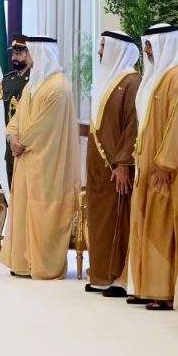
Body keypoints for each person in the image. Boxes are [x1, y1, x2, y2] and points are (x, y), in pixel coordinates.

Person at [0, 36, 79, 279]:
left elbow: (43, 126)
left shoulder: (59, 86)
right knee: (23, 210)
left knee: (44, 212)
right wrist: (13, 137)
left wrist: (22, 141)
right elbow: (17, 118)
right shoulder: (32, 84)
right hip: (25, 160)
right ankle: (23, 263)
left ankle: (44, 265)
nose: (26, 57)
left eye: (29, 51)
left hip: (46, 162)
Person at [83, 31, 140, 298]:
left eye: (104, 46)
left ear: (119, 49)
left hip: (116, 167)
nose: (100, 51)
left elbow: (133, 126)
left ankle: (117, 277)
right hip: (98, 167)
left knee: (117, 218)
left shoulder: (132, 81)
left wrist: (123, 163)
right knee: (99, 220)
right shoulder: (108, 80)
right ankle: (100, 275)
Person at [127, 23, 178, 311]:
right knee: (144, 223)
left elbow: (175, 125)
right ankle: (144, 285)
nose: (147, 51)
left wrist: (165, 161)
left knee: (161, 226)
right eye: (145, 45)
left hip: (164, 169)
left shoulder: (174, 77)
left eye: (150, 45)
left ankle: (162, 290)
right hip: (145, 165)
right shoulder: (153, 78)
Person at [2, 34, 31, 186]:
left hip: (27, 145)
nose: (14, 57)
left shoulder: (35, 80)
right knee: (12, 192)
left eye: (19, 53)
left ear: (28, 53)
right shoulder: (7, 80)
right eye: (13, 53)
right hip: (10, 144)